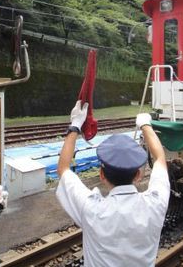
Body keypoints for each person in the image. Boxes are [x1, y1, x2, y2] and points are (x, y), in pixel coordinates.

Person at [56, 101, 170, 266]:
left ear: (102, 175)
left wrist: (75, 125)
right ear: (138, 175)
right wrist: (145, 124)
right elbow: (160, 158)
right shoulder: (155, 203)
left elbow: (63, 169)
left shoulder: (91, 208)